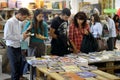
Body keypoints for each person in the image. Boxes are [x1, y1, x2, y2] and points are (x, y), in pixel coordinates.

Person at [4, 8, 30, 80]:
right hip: (11, 48)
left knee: (19, 69)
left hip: (18, 47)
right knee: (15, 70)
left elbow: (17, 35)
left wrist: (24, 35)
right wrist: (21, 36)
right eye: (24, 17)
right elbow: (6, 36)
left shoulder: (19, 22)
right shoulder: (10, 22)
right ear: (19, 15)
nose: (24, 19)